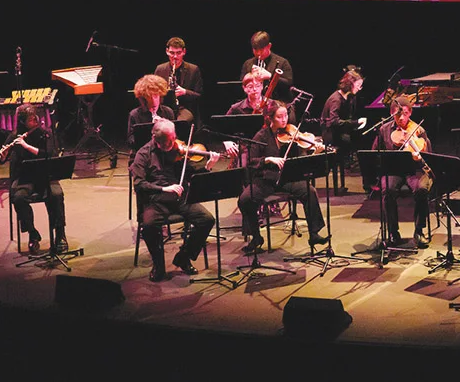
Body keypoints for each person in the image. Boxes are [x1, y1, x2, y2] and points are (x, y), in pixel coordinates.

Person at [130, 117, 222, 282]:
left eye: (174, 138)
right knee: (149, 226)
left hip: (180, 199)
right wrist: (163, 188)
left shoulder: (178, 151)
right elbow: (138, 183)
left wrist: (208, 166)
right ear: (156, 139)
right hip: (156, 200)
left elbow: (192, 174)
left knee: (207, 220)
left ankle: (184, 256)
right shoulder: (143, 155)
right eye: (168, 141)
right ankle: (158, 265)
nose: (173, 143)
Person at [239, 101, 328, 254]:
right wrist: (267, 159)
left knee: (310, 191)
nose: (284, 119)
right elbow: (251, 161)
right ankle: (255, 237)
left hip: (287, 178)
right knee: (245, 199)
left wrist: (316, 152)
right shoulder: (261, 136)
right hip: (266, 179)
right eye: (280, 117)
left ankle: (314, 233)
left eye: (286, 115)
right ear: (270, 118)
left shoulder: (292, 134)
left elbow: (302, 160)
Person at [372, 95, 433, 246]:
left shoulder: (418, 130)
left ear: (410, 113)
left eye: (405, 113)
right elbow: (374, 153)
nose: (402, 117)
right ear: (392, 114)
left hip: (415, 170)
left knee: (421, 190)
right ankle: (393, 232)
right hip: (393, 170)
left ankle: (419, 231)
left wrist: (418, 153)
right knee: (388, 190)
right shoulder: (384, 130)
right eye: (398, 114)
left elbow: (429, 155)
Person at [5, 104, 67, 254]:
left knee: (56, 195)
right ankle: (33, 233)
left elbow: (51, 154)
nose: (35, 122)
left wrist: (26, 146)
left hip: (46, 176)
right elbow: (3, 159)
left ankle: (60, 235)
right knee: (18, 198)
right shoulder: (15, 136)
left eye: (35, 119)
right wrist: (3, 154)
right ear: (22, 122)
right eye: (30, 120)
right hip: (25, 179)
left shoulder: (44, 134)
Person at [320, 69, 366, 195]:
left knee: (360, 142)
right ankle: (368, 181)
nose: (360, 88)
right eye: (358, 85)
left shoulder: (346, 97)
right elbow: (333, 122)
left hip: (337, 132)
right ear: (350, 84)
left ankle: (368, 181)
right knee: (361, 147)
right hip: (331, 135)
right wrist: (356, 123)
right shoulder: (336, 99)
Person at [154, 37, 203, 124]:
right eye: (172, 53)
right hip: (165, 108)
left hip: (184, 108)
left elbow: (199, 96)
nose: (175, 57)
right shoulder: (160, 69)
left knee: (179, 123)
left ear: (184, 51)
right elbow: (154, 92)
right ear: (167, 51)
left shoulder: (193, 69)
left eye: (178, 53)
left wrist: (184, 92)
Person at [239, 32, 294, 103]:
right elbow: (242, 86)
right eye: (255, 50)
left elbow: (288, 84)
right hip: (255, 104)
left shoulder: (282, 62)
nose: (258, 53)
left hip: (279, 104)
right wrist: (251, 77)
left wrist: (270, 76)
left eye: (261, 50)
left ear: (269, 46)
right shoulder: (248, 64)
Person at [127, 74, 175, 151]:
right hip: (144, 153)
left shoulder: (168, 112)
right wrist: (150, 129)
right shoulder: (135, 115)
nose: (153, 101)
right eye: (149, 97)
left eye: (156, 96)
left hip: (164, 153)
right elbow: (131, 142)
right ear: (143, 98)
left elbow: (174, 138)